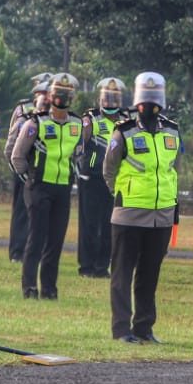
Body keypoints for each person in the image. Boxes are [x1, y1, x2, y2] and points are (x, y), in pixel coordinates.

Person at [105, 72, 179, 344]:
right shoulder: (123, 131)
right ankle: (121, 329)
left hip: (161, 215)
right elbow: (109, 169)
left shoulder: (172, 130)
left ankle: (144, 327)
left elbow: (171, 169)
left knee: (150, 274)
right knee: (122, 274)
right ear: (137, 101)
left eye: (155, 97)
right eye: (146, 99)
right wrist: (124, 194)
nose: (151, 105)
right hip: (130, 214)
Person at [12, 73, 83, 300]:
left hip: (63, 188)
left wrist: (79, 172)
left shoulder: (77, 124)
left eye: (66, 95)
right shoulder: (36, 122)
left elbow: (80, 154)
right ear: (50, 96)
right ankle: (29, 287)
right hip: (39, 188)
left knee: (55, 241)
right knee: (36, 238)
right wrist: (29, 179)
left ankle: (49, 289)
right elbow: (17, 155)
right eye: (58, 94)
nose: (62, 99)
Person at [77, 78, 126, 277]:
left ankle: (102, 266)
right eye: (107, 98)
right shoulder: (91, 120)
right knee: (89, 224)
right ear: (100, 99)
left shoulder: (124, 121)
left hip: (113, 180)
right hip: (91, 179)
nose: (110, 103)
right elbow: (79, 147)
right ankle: (86, 266)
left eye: (114, 98)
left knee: (109, 224)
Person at [4, 73, 51, 262]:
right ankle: (17, 252)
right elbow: (11, 143)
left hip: (40, 172)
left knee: (39, 215)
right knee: (21, 213)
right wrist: (18, 171)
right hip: (22, 171)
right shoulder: (24, 114)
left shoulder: (52, 117)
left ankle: (35, 252)